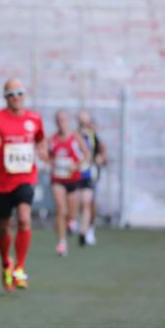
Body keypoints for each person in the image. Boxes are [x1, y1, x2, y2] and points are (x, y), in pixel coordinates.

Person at [0, 78, 46, 292]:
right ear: (5, 97)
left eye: (19, 93)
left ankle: (20, 268)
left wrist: (42, 150)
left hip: (25, 177)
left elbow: (41, 139)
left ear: (25, 95)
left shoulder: (34, 119)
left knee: (24, 219)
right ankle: (6, 261)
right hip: (1, 181)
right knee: (4, 225)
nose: (16, 97)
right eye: (11, 94)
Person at [48, 110, 90, 257]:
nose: (61, 123)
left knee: (71, 214)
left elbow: (86, 155)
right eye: (59, 120)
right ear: (56, 122)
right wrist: (50, 161)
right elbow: (48, 156)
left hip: (73, 179)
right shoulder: (52, 139)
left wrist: (76, 165)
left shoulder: (75, 137)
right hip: (58, 179)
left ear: (68, 121)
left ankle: (70, 222)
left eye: (64, 120)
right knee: (61, 210)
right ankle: (61, 242)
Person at [76, 110, 106, 246]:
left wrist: (100, 158)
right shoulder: (75, 136)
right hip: (76, 173)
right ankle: (80, 225)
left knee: (87, 202)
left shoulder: (93, 136)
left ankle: (86, 231)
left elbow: (102, 151)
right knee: (80, 203)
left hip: (90, 173)